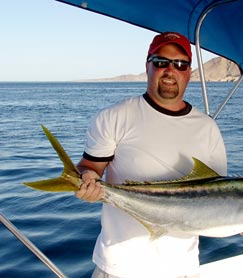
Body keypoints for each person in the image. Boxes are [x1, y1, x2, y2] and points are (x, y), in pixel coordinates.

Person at [76, 32, 227, 278]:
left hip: (182, 268)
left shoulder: (207, 128)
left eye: (180, 64)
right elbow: (89, 166)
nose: (170, 70)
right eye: (161, 62)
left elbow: (219, 196)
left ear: (189, 72)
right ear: (147, 66)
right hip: (119, 267)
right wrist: (87, 179)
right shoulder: (115, 117)